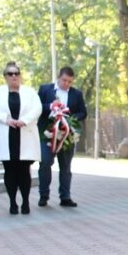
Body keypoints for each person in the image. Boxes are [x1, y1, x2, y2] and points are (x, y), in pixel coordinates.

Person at [0, 62, 42, 215]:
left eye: (16, 73)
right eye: (10, 74)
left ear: (20, 76)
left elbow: (37, 108)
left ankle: (25, 202)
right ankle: (12, 202)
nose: (14, 76)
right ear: (5, 76)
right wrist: (6, 119)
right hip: (7, 134)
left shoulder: (29, 92)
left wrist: (24, 120)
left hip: (24, 133)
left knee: (24, 171)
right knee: (10, 171)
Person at [37, 65, 87, 207]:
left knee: (65, 166)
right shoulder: (45, 89)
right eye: (64, 80)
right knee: (45, 162)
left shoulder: (76, 94)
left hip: (67, 135)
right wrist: (50, 107)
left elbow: (83, 113)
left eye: (70, 82)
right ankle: (43, 196)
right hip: (48, 134)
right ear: (59, 77)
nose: (67, 84)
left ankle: (65, 197)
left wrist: (70, 117)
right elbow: (37, 107)